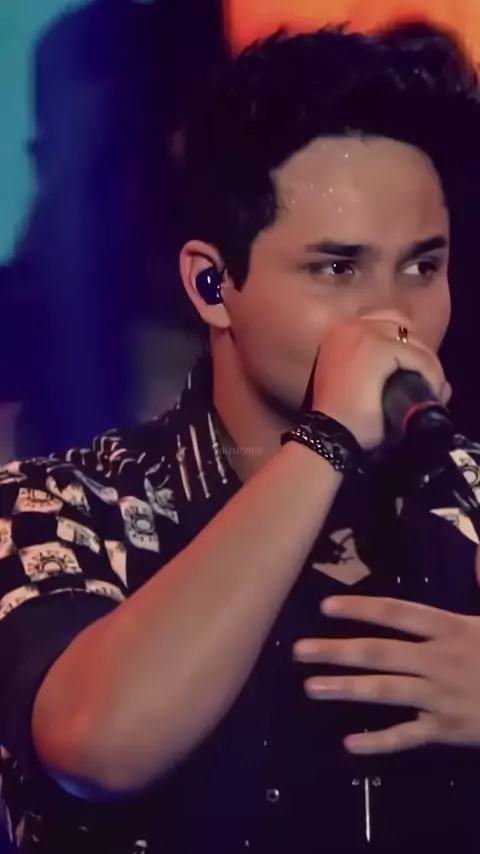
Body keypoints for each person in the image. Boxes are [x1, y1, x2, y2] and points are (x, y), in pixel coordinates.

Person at [2, 20, 480, 854]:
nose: (392, 316)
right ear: (212, 284)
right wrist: (328, 440)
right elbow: (96, 744)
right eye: (337, 269)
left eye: (422, 267)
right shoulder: (64, 505)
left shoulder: (465, 494)